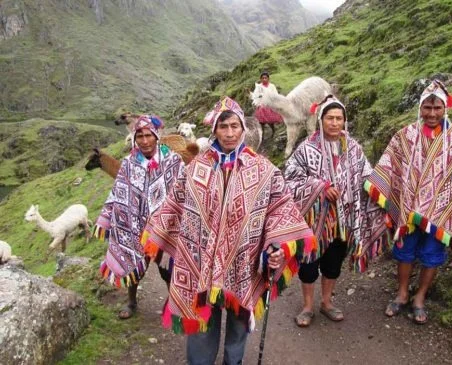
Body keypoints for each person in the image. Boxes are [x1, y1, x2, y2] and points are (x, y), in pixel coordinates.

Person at [141, 96, 317, 365]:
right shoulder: (196, 168)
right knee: (202, 318)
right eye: (223, 127)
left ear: (242, 128)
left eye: (235, 126)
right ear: (215, 130)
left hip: (243, 261)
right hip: (200, 264)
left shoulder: (263, 170)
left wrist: (276, 247)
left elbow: (279, 209)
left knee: (238, 321)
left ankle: (232, 362)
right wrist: (158, 233)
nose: (230, 133)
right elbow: (175, 204)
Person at [364, 80, 452, 324]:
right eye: (428, 108)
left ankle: (420, 298)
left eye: (437, 108)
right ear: (420, 108)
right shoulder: (406, 136)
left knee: (432, 254)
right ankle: (402, 294)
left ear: (446, 108)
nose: (432, 113)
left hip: (443, 210)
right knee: (404, 251)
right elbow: (390, 165)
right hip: (410, 208)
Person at [284, 95, 389, 327]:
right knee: (309, 262)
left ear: (344, 121)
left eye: (338, 118)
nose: (334, 123)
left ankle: (327, 302)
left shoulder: (353, 148)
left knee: (333, 262)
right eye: (329, 118)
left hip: (344, 219)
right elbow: (290, 178)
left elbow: (365, 175)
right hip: (315, 220)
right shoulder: (306, 149)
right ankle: (308, 306)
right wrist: (320, 187)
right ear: (320, 120)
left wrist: (381, 191)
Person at [93, 115, 184, 319]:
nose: (144, 140)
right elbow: (120, 193)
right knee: (132, 263)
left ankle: (174, 304)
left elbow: (182, 191)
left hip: (164, 226)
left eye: (148, 135)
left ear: (156, 136)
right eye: (140, 136)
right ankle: (132, 302)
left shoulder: (172, 160)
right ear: (135, 138)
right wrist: (119, 219)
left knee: (167, 266)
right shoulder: (128, 164)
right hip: (135, 224)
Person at [253, 71, 284, 137]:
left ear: (268, 79)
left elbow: (275, 95)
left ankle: (273, 131)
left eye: (265, 78)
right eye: (263, 78)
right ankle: (262, 135)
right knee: (261, 122)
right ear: (260, 79)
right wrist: (258, 102)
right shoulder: (259, 87)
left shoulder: (272, 86)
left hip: (269, 104)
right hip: (261, 104)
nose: (264, 79)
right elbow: (256, 96)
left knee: (271, 122)